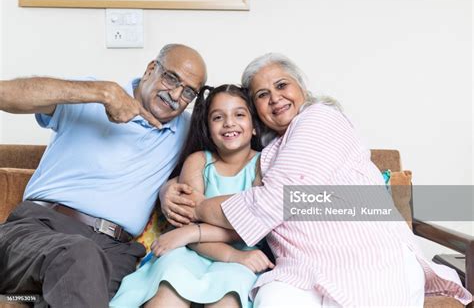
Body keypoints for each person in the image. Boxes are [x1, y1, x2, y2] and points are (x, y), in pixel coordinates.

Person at [161, 53, 473, 307]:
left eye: (282, 85)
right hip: (298, 267)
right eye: (262, 94)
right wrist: (167, 189)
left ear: (302, 89)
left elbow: (276, 200)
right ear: (256, 109)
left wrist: (199, 209)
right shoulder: (269, 150)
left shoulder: (318, 118)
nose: (275, 99)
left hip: (365, 258)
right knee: (271, 300)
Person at [0, 44, 207, 308]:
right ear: (151, 69)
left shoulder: (186, 132)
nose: (176, 95)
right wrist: (102, 92)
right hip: (39, 228)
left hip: (114, 251)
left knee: (67, 290)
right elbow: (5, 94)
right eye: (171, 78)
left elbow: (235, 150)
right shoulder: (91, 97)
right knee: (78, 256)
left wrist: (168, 186)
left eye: (188, 91)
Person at [110, 84, 274, 308]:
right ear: (207, 127)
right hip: (191, 251)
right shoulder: (199, 161)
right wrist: (188, 234)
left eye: (239, 114)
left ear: (254, 126)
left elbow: (249, 228)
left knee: (229, 295)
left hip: (242, 256)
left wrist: (204, 240)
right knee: (169, 285)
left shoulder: (262, 165)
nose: (229, 123)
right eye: (218, 117)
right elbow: (185, 227)